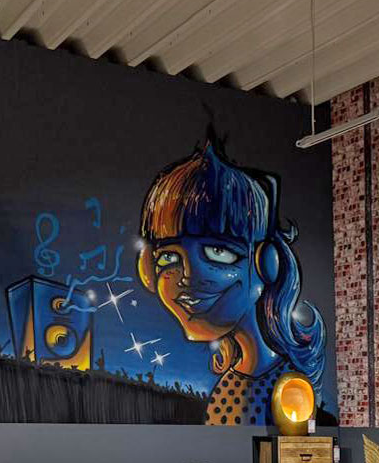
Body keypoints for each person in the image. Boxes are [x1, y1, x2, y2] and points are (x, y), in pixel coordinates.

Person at [137, 140, 327, 425]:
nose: (187, 276)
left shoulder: (287, 388)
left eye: (218, 252)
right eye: (169, 258)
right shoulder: (232, 382)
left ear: (266, 263)